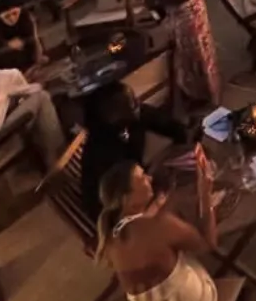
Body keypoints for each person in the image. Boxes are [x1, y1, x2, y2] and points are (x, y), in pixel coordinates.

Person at [94, 161, 218, 301]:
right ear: (126, 199)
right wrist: (206, 196)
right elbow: (209, 244)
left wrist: (156, 208)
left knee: (169, 250)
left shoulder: (110, 237)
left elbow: (142, 235)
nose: (149, 178)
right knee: (186, 250)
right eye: (141, 178)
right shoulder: (159, 224)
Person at [78, 80, 188, 220]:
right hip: (114, 209)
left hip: (135, 186)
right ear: (113, 115)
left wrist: (184, 149)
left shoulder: (133, 117)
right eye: (132, 103)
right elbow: (112, 205)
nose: (139, 103)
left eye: (135, 100)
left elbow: (175, 128)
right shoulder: (102, 152)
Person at [0, 2, 45, 75]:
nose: (12, 19)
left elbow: (36, 51)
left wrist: (34, 28)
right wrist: (7, 45)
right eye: (7, 16)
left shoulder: (25, 18)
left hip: (21, 59)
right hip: (3, 59)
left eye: (15, 13)